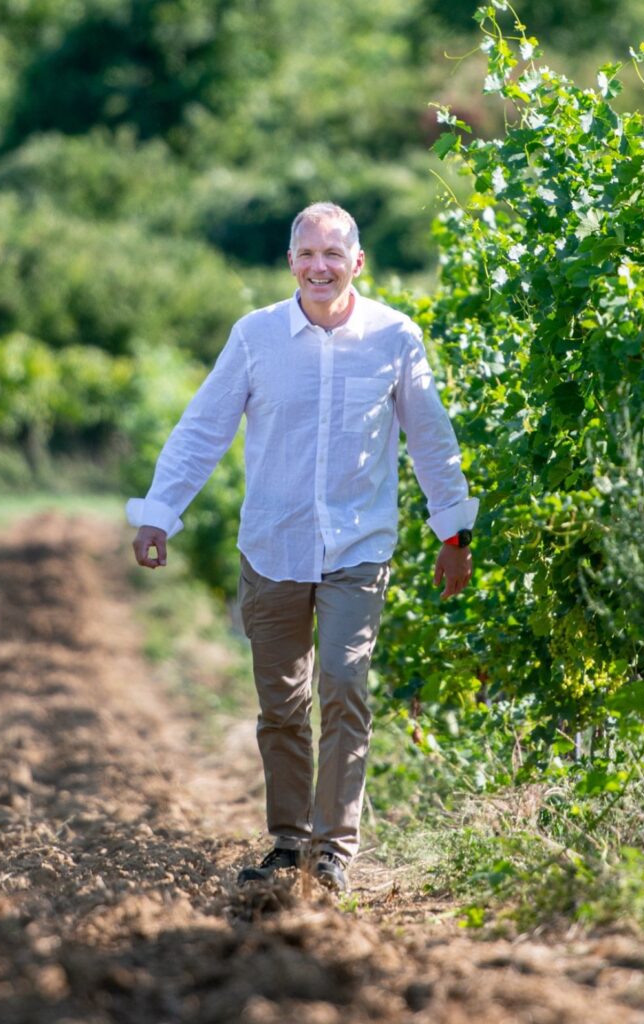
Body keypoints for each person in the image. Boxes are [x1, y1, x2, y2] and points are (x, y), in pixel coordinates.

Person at [126, 202, 477, 891]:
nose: (321, 266)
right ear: (291, 262)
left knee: (344, 685)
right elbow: (203, 430)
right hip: (273, 547)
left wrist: (454, 532)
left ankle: (334, 851)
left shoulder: (394, 337)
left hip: (358, 546)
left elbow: (431, 440)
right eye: (308, 254)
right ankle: (289, 843)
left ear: (357, 262)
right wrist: (159, 513)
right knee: (282, 705)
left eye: (333, 253)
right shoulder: (256, 337)